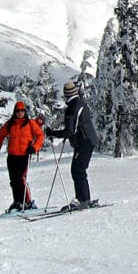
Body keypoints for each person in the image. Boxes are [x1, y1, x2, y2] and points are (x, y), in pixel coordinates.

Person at [46, 81, 99, 211]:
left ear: (66, 94)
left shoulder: (73, 106)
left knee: (77, 170)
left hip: (83, 141)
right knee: (80, 169)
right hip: (88, 140)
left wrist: (53, 133)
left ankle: (82, 200)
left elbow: (70, 130)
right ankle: (84, 198)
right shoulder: (80, 103)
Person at [0, 101, 44, 211]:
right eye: (18, 111)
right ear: (14, 112)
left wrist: (35, 147)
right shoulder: (10, 124)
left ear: (25, 112)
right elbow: (1, 135)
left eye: (22, 111)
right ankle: (17, 202)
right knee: (13, 180)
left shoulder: (30, 123)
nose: (20, 113)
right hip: (12, 156)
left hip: (24, 155)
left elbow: (40, 136)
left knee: (21, 179)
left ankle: (27, 202)